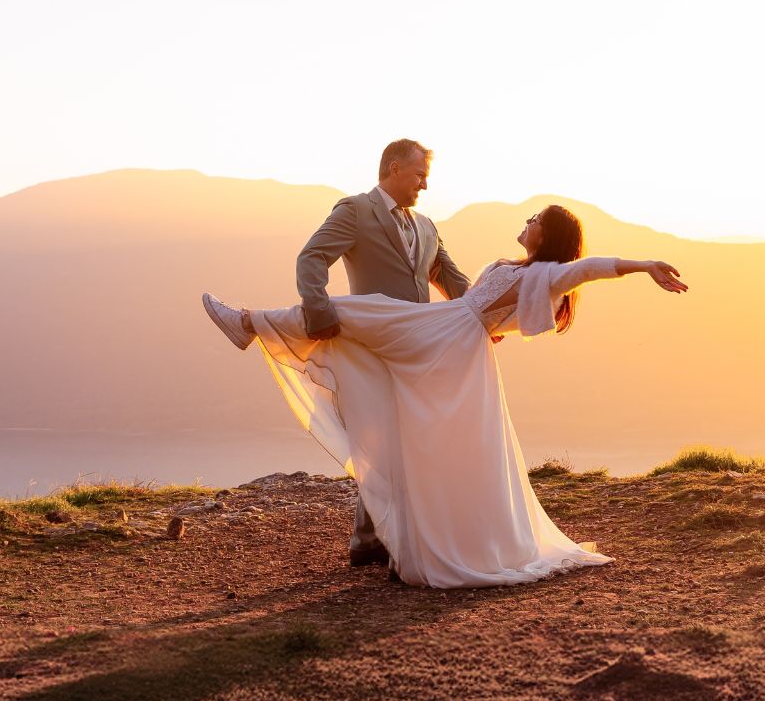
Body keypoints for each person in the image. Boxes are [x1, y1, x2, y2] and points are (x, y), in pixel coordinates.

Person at [201, 201, 689, 589]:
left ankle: (249, 323)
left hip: (449, 337)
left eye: (536, 218)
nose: (527, 220)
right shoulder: (515, 267)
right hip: (449, 331)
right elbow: (469, 293)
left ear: (551, 236)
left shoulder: (548, 273)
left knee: (356, 312)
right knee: (361, 327)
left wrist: (644, 264)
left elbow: (587, 269)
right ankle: (416, 542)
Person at [293, 139, 471, 568]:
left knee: (405, 437)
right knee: (383, 437)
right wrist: (319, 311)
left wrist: (487, 318)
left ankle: (368, 537)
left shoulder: (426, 226)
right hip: (371, 347)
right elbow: (312, 257)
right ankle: (385, 540)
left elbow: (453, 279)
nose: (425, 186)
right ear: (394, 168)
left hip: (420, 351)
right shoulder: (355, 210)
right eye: (419, 175)